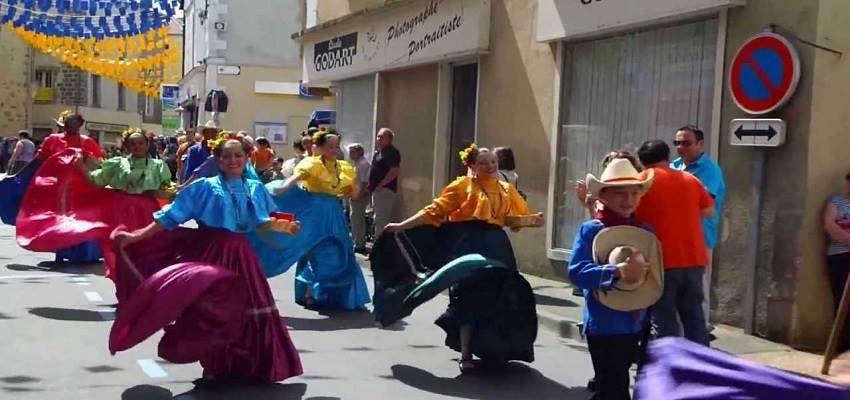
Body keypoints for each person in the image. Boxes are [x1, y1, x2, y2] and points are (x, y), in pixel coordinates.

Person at [109, 138, 303, 385]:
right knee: (212, 311)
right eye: (227, 156)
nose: (233, 161)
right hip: (213, 253)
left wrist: (285, 227)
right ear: (218, 160)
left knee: (253, 306)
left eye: (238, 156)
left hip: (242, 253)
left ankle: (251, 364)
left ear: (247, 158)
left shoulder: (255, 188)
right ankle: (216, 364)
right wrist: (137, 235)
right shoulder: (205, 187)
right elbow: (170, 217)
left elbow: (261, 221)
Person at [383, 144, 544, 372]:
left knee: (502, 296)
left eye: (493, 162)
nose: (490, 166)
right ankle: (466, 353)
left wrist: (531, 221)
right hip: (469, 245)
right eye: (483, 163)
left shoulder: (506, 189)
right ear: (472, 166)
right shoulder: (462, 186)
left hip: (498, 246)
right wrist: (402, 225)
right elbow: (434, 211)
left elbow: (510, 220)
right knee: (469, 297)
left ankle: (498, 348)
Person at [569, 157, 659, 400]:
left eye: (634, 193)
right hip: (604, 323)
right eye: (620, 194)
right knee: (614, 388)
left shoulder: (646, 232)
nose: (628, 200)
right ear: (603, 196)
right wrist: (615, 272)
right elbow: (577, 272)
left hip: (637, 323)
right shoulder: (591, 230)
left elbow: (655, 278)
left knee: (617, 388)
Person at [252, 128, 370, 311]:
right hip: (314, 213)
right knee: (314, 250)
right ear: (320, 148)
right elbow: (296, 177)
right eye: (330, 146)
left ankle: (338, 296)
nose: (334, 150)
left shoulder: (344, 167)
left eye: (336, 146)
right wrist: (283, 189)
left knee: (340, 252)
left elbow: (354, 195)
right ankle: (308, 293)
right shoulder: (312, 164)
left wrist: (354, 187)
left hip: (334, 213)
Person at [635, 140, 714, 345]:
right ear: (667, 158)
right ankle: (701, 364)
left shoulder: (639, 183)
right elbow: (708, 211)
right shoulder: (690, 179)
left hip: (660, 260)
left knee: (665, 318)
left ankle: (671, 366)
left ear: (642, 161)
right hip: (693, 257)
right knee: (694, 316)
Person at [670, 125, 726, 331]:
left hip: (700, 237)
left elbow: (704, 202)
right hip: (674, 237)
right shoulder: (674, 166)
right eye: (677, 143)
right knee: (675, 288)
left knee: (696, 289)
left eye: (686, 143)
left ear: (701, 144)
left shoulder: (710, 170)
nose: (680, 147)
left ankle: (698, 334)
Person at [823, 173, 850, 351]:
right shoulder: (837, 202)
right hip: (840, 256)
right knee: (841, 299)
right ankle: (841, 344)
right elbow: (829, 224)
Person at [369, 128, 401, 239]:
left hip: (385, 190)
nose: (378, 139)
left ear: (389, 139)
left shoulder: (391, 152)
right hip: (377, 191)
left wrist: (381, 185)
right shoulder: (379, 153)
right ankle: (379, 245)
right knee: (377, 219)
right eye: (378, 136)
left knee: (381, 220)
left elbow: (394, 171)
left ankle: (380, 249)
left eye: (382, 137)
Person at [348, 143, 371, 253]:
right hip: (354, 194)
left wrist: (358, 195)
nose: (350, 154)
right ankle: (356, 240)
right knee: (354, 218)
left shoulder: (363, 164)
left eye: (352, 152)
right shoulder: (356, 164)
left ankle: (359, 243)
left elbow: (364, 182)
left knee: (358, 219)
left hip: (359, 195)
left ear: (359, 152)